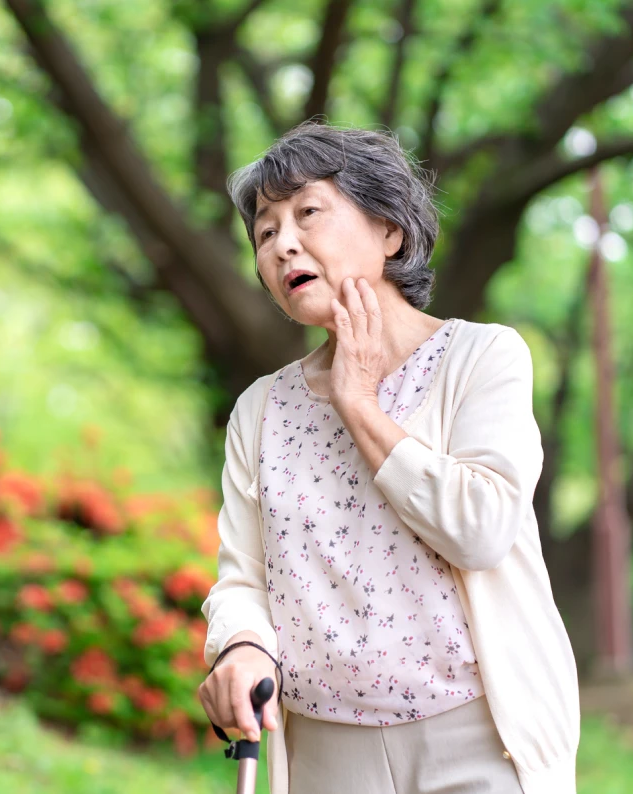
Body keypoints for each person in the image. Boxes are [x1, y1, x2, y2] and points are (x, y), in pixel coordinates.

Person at [196, 122, 580, 794]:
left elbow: (482, 529)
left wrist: (361, 404)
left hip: (477, 739)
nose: (283, 244)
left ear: (390, 232)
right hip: (324, 755)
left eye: (308, 213)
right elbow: (243, 579)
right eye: (265, 232)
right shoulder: (261, 411)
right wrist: (242, 644)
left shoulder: (480, 359)